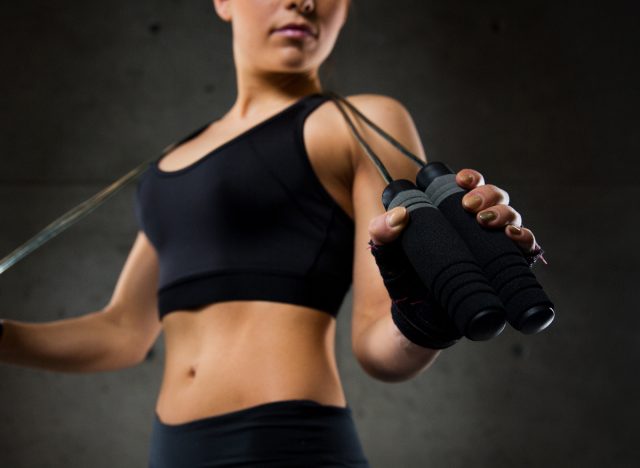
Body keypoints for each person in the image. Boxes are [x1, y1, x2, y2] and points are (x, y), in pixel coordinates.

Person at [0, 0, 541, 466]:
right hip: (171, 452)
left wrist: (427, 319)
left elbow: (379, 345)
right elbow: (122, 331)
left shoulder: (355, 122)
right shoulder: (168, 166)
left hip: (289, 442)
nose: (303, 0)